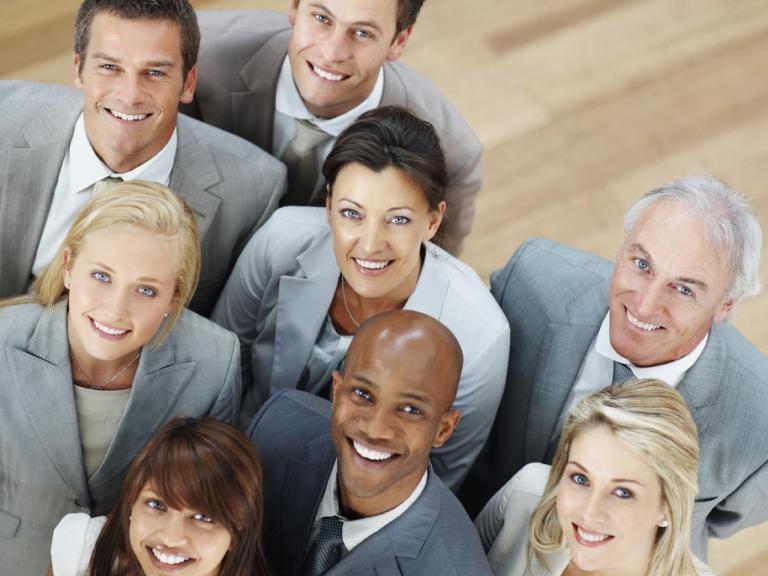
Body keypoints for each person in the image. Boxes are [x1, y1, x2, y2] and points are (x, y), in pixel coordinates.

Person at [461, 175, 768, 558]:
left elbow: (722, 520)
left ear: (726, 305)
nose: (644, 305)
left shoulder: (759, 422)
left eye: (684, 289)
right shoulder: (532, 282)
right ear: (621, 247)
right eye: (641, 264)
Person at [213, 106, 509, 489]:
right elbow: (223, 370)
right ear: (329, 207)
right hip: (240, 458)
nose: (370, 245)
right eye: (352, 214)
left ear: (433, 221)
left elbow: (442, 474)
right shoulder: (279, 242)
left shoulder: (479, 336)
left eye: (398, 219)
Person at [0, 181, 240, 575]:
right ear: (68, 268)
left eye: (145, 290)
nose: (115, 309)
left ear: (174, 299)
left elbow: (207, 500)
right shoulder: (5, 340)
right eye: (101, 276)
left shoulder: (214, 362)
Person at [0, 0, 286, 316]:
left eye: (154, 72)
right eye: (110, 67)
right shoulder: (5, 120)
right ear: (79, 69)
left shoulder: (254, 190)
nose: (130, 95)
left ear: (188, 83)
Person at [182, 0, 482, 255]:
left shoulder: (454, 156)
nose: (332, 52)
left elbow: (427, 268)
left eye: (363, 33)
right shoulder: (200, 51)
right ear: (295, 8)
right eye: (322, 18)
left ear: (399, 42)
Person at [248, 310, 493, 576]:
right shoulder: (275, 429)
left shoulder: (455, 569)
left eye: (411, 409)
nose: (375, 429)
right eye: (362, 393)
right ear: (337, 391)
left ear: (443, 430)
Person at [475, 380, 714, 576]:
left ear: (668, 507)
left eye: (623, 492)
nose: (589, 513)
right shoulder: (525, 496)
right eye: (580, 478)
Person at [49, 417, 268, 576]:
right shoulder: (82, 551)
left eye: (204, 518)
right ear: (131, 506)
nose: (171, 537)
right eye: (156, 505)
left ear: (239, 529)